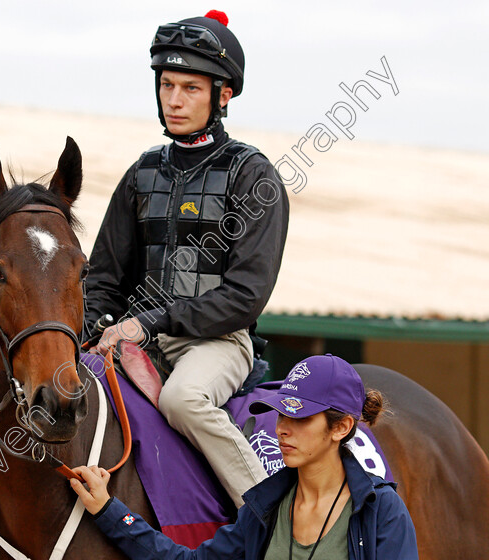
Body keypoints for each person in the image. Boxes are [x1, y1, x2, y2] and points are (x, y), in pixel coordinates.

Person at [84, 9, 289, 508]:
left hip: (217, 344)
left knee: (182, 400)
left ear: (223, 95)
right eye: (167, 85)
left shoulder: (253, 175)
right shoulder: (141, 174)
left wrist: (150, 322)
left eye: (191, 88)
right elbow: (102, 279)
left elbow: (244, 297)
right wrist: (87, 328)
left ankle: (266, 515)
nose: (174, 100)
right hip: (137, 340)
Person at [69, 354, 420, 559]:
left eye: (300, 418)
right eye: (282, 414)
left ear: (341, 427)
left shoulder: (382, 511)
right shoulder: (265, 508)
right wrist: (109, 510)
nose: (282, 429)